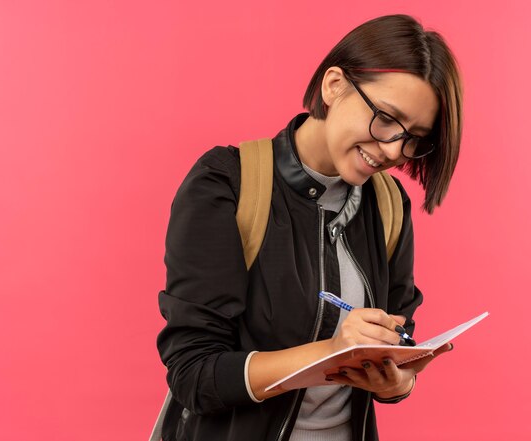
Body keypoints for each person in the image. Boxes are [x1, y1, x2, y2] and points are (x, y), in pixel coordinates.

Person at [156, 13, 463, 441]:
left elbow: (400, 338)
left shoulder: (389, 204)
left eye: (413, 137)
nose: (395, 149)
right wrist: (332, 352)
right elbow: (194, 373)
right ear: (334, 85)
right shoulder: (226, 183)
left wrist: (399, 381)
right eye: (387, 118)